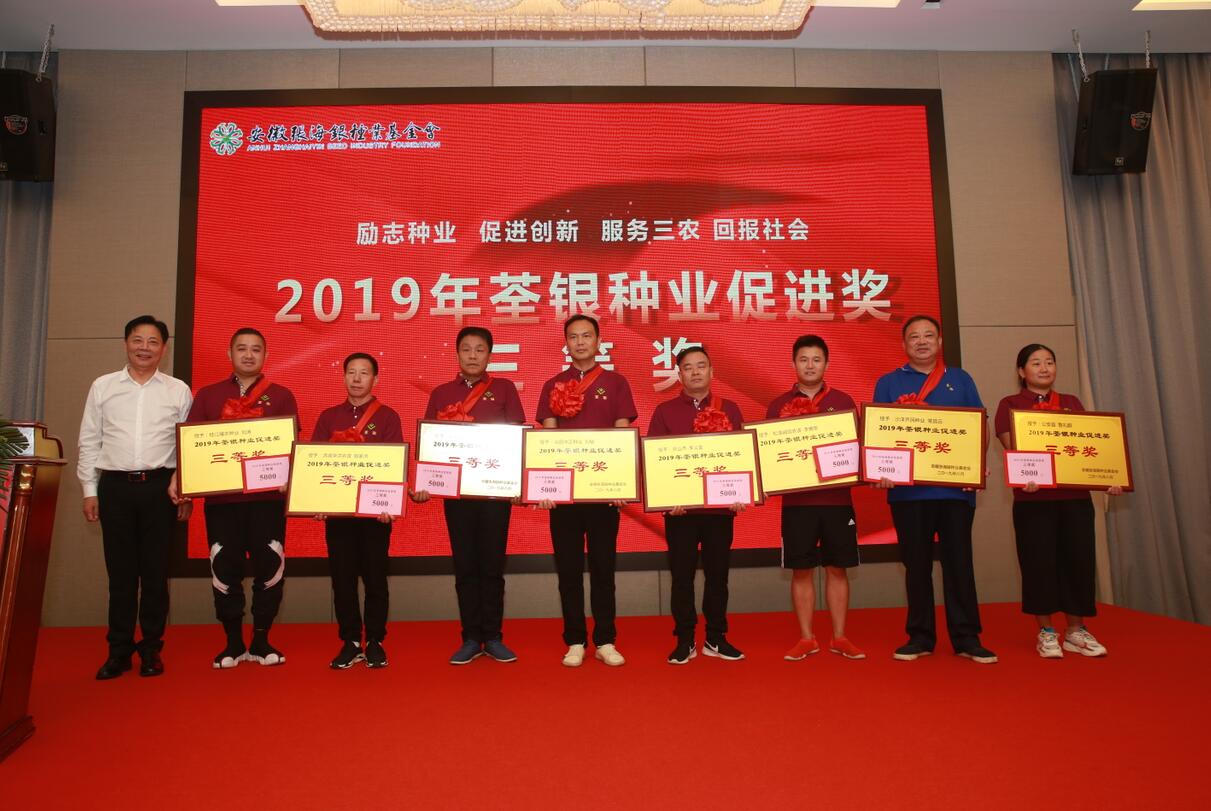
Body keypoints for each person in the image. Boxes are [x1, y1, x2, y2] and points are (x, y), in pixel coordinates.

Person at [170, 327, 299, 668]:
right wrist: (184, 481)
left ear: (265, 355)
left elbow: (291, 448)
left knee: (270, 568)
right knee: (224, 568)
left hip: (267, 501)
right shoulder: (208, 395)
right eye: (241, 348)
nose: (248, 354)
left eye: (256, 349)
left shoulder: (282, 396)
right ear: (229, 354)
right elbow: (192, 447)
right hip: (222, 503)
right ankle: (232, 642)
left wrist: (290, 476)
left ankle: (261, 639)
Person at [872, 315, 997, 664]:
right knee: (916, 566)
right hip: (908, 494)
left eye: (929, 335)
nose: (922, 341)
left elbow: (978, 425)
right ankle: (920, 636)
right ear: (904, 344)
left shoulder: (961, 379)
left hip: (955, 491)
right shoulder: (888, 383)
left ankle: (967, 638)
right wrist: (882, 470)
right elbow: (879, 432)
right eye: (914, 337)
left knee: (960, 564)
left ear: (940, 342)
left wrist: (975, 465)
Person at [78, 315, 193, 680]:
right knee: (121, 576)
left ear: (164, 348)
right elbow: (89, 440)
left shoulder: (178, 390)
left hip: (160, 489)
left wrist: (185, 489)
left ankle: (152, 648)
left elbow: (188, 445)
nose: (145, 347)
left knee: (156, 575)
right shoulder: (103, 386)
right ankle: (119, 651)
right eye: (138, 340)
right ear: (126, 343)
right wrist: (89, 490)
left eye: (153, 341)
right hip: (114, 489)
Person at [995, 344, 1120, 659]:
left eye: (1049, 362)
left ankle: (1076, 631)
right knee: (1038, 563)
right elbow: (1014, 450)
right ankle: (1047, 632)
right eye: (1035, 363)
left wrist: (1109, 475)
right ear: (1021, 371)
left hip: (1075, 498)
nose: (1044, 368)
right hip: (1034, 501)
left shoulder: (1071, 403)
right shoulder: (1010, 404)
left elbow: (1090, 448)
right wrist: (1026, 472)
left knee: (1078, 562)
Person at [415, 326, 526, 666]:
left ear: (489, 355)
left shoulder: (504, 389)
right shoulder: (441, 393)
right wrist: (425, 482)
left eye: (480, 349)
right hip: (458, 497)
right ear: (457, 354)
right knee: (465, 567)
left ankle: (492, 637)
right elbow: (431, 445)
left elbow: (518, 440)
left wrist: (518, 483)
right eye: (466, 349)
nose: (473, 355)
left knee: (492, 567)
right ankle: (470, 638)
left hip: (495, 496)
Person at [535, 314, 637, 668]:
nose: (580, 342)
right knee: (568, 571)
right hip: (564, 498)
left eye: (586, 336)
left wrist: (622, 482)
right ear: (566, 343)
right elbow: (547, 440)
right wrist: (546, 485)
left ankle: (605, 639)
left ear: (598, 341)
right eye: (573, 337)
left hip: (603, 494)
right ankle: (575, 640)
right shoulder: (553, 384)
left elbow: (622, 435)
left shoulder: (616, 382)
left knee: (603, 569)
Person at [766, 335, 865, 662]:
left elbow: (856, 449)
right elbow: (768, 454)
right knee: (801, 570)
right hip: (798, 505)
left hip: (837, 501)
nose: (810, 365)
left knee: (838, 569)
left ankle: (840, 636)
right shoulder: (778, 405)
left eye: (816, 359)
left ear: (826, 364)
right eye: (803, 359)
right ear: (793, 364)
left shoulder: (842, 401)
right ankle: (806, 638)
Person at [648, 346, 747, 665]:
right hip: (681, 512)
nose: (695, 372)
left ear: (711, 371)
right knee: (681, 577)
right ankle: (685, 639)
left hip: (720, 511)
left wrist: (740, 492)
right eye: (688, 367)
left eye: (701, 366)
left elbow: (740, 456)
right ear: (679, 375)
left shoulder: (730, 409)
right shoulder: (664, 411)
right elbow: (655, 462)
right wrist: (667, 499)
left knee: (718, 576)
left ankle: (716, 638)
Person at [311, 353, 404, 670]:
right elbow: (315, 464)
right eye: (351, 372)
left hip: (375, 516)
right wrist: (317, 501)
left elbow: (393, 465)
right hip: (338, 516)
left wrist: (388, 504)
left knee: (376, 578)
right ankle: (350, 641)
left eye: (364, 373)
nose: (357, 378)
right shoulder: (328, 417)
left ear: (375, 379)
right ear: (343, 377)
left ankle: (375, 640)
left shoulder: (388, 417)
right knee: (343, 579)